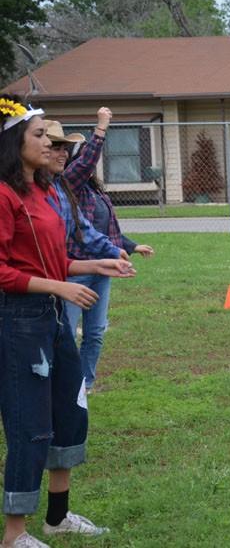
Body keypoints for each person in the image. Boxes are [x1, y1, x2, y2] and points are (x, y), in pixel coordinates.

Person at [0, 95, 135, 548]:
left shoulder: (45, 191)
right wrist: (57, 286)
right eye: (39, 135)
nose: (51, 145)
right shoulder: (3, 195)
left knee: (70, 413)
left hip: (53, 319)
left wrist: (95, 266)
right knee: (29, 424)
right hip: (19, 324)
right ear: (13, 141)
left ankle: (58, 518)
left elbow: (55, 259)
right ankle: (14, 534)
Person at [44, 116, 154, 393]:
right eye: (54, 147)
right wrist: (101, 128)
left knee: (95, 332)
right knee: (65, 332)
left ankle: (85, 384)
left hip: (99, 269)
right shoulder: (70, 182)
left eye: (64, 148)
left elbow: (94, 228)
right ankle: (64, 386)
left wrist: (123, 248)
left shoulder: (88, 191)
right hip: (72, 271)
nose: (61, 153)